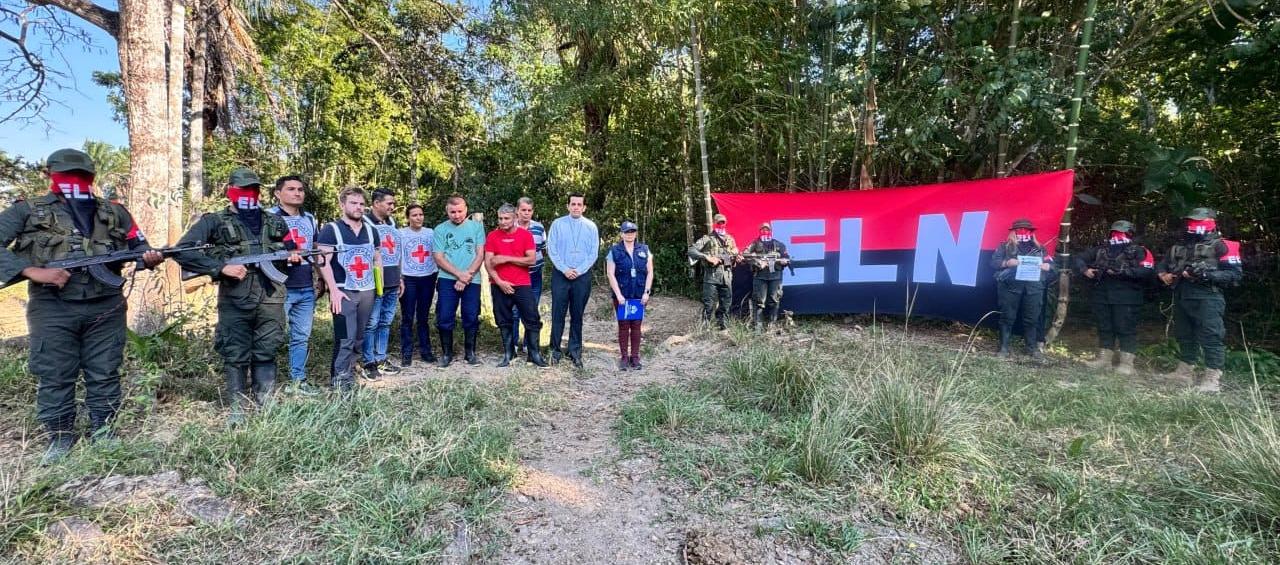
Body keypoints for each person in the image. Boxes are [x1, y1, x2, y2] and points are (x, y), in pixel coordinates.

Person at [0, 148, 163, 463]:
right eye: (67, 175)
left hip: (106, 304)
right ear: (50, 175)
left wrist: (148, 257)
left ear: (92, 177)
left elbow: (138, 245)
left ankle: (104, 431)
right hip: (53, 306)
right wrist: (32, 271)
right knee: (56, 372)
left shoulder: (114, 211)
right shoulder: (26, 211)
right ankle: (60, 437)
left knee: (105, 370)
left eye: (82, 176)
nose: (75, 181)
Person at [175, 167, 294, 424]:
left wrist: (293, 256)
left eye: (253, 189)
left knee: (268, 347)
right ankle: (237, 408)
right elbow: (182, 251)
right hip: (235, 297)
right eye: (242, 190)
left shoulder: (275, 221)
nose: (248, 194)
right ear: (230, 191)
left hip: (271, 295)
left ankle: (265, 402)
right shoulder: (214, 221)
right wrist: (220, 268)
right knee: (235, 351)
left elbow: (291, 248)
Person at [1156, 208, 1243, 392]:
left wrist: (1205, 275)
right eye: (1191, 222)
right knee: (1184, 334)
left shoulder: (1222, 245)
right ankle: (1185, 371)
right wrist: (1163, 274)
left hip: (1208, 296)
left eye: (1198, 222)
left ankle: (1212, 377)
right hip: (1181, 295)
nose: (1192, 226)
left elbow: (1234, 275)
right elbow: (1162, 265)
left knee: (1211, 335)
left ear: (1211, 223)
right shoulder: (1179, 246)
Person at [315, 187, 380, 395]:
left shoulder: (371, 230)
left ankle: (349, 374)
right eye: (353, 203)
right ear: (342, 205)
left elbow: (376, 258)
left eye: (361, 204)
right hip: (344, 292)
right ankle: (339, 380)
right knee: (345, 337)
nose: (358, 207)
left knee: (359, 337)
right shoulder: (331, 229)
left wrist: (379, 287)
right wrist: (333, 290)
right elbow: (323, 262)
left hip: (367, 291)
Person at [1075, 220, 1154, 376]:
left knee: (1125, 328)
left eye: (1121, 233)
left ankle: (1126, 364)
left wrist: (1122, 272)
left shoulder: (1139, 251)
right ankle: (1104, 360)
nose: (1117, 236)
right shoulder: (1102, 249)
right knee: (1104, 327)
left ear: (1130, 234)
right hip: (1102, 295)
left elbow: (1147, 271)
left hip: (1127, 297)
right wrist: (1085, 270)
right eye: (1115, 233)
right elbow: (1079, 258)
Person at [268, 176, 321, 395]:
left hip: (305, 286)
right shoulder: (268, 217)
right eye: (290, 189)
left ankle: (298, 380)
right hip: (277, 287)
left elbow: (316, 250)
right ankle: (265, 383)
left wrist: (321, 278)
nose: (297, 193)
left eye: (300, 189)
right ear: (277, 194)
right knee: (271, 335)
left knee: (301, 337)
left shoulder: (309, 218)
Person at [485, 203, 549, 368]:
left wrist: (506, 258)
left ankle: (534, 354)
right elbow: (488, 263)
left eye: (506, 218)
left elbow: (531, 259)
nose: (503, 222)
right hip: (499, 284)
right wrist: (499, 282)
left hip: (522, 283)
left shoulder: (525, 235)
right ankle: (509, 353)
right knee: (503, 319)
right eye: (500, 218)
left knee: (532, 318)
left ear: (514, 218)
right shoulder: (492, 236)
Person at [546, 193, 599, 368]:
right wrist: (565, 269)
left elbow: (593, 253)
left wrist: (579, 270)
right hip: (561, 275)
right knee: (558, 314)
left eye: (579, 204)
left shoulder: (591, 226)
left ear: (584, 207)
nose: (576, 207)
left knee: (577, 315)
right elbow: (552, 249)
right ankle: (554, 350)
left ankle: (574, 351)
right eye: (573, 204)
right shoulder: (558, 224)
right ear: (568, 206)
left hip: (581, 276)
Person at [433, 196, 486, 367]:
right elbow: (438, 257)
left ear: (466, 209)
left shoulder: (476, 227)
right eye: (453, 212)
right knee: (444, 316)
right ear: (447, 211)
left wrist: (467, 275)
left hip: (472, 279)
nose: (457, 215)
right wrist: (459, 275)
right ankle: (447, 353)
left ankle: (470, 353)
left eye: (460, 211)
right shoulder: (440, 229)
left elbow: (480, 254)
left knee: (471, 316)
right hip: (447, 279)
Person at [990, 218, 1053, 361]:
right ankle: (1003, 348)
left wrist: (1048, 266)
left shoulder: (1040, 248)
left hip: (1034, 288)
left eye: (1027, 230)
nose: (1023, 232)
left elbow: (1052, 263)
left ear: (1031, 232)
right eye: (1019, 230)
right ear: (1013, 232)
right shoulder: (1005, 246)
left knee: (1032, 319)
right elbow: (993, 262)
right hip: (1010, 288)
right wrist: (1007, 262)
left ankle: (1031, 348)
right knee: (1007, 317)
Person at [361, 188, 403, 379]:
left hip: (393, 280)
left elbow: (397, 252)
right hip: (375, 282)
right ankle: (368, 361)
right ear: (376, 203)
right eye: (389, 203)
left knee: (385, 322)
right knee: (372, 323)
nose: (392, 207)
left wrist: (400, 277)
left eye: (393, 203)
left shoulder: (392, 222)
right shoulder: (365, 222)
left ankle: (381, 358)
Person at [605, 221, 653, 370]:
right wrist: (618, 295)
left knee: (637, 326)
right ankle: (624, 357)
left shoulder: (644, 249)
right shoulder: (614, 251)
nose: (629, 234)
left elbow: (650, 272)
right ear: (622, 234)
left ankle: (635, 357)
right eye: (626, 232)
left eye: (632, 232)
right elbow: (610, 274)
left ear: (636, 233)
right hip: (622, 295)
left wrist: (646, 292)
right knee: (624, 326)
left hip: (639, 295)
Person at [399, 204, 437, 367]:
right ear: (408, 217)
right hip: (409, 278)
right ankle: (406, 353)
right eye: (414, 215)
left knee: (423, 317)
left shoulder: (430, 233)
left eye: (421, 214)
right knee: (407, 317)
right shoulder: (401, 234)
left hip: (428, 277)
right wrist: (399, 277)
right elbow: (398, 256)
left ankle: (426, 351)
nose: (418, 218)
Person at [687, 213, 740, 330]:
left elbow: (734, 255)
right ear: (714, 224)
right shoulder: (707, 238)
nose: (721, 225)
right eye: (719, 223)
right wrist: (707, 257)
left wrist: (736, 257)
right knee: (709, 303)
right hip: (711, 276)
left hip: (726, 276)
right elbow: (691, 250)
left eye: (723, 223)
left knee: (726, 303)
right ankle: (704, 327)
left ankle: (723, 325)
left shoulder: (730, 239)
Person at [513, 197, 546, 353]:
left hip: (534, 276)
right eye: (523, 210)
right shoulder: (510, 226)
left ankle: (528, 344)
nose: (526, 213)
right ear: (517, 211)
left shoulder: (539, 228)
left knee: (531, 310)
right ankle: (513, 344)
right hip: (515, 276)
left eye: (529, 210)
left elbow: (543, 249)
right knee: (514, 311)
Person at [743, 222, 790, 331]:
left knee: (774, 300)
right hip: (760, 276)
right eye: (763, 229)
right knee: (759, 301)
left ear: (770, 231)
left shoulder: (779, 244)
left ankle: (772, 324)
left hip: (775, 277)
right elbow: (745, 254)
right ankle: (758, 325)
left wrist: (784, 261)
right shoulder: (754, 244)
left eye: (767, 229)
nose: (765, 231)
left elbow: (787, 257)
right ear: (760, 231)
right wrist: (757, 262)